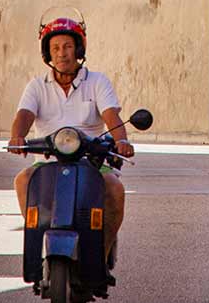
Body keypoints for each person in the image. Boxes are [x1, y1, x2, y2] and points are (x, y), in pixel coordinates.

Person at [8, 14, 133, 264]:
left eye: (67, 46)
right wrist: (17, 136)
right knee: (23, 181)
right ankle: (41, 242)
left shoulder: (97, 81)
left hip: (92, 160)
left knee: (115, 189)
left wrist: (122, 140)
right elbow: (24, 114)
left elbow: (112, 115)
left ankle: (101, 255)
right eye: (55, 48)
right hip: (48, 160)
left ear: (78, 49)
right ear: (48, 53)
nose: (62, 53)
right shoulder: (36, 86)